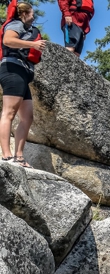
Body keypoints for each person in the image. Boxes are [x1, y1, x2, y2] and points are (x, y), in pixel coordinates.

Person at [0, 1, 46, 167]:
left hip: (22, 71)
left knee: (27, 117)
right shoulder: (16, 24)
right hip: (12, 68)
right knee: (9, 112)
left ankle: (19, 156)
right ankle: (6, 156)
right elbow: (8, 40)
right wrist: (33, 44)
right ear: (24, 13)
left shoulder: (26, 29)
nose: (34, 18)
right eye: (32, 14)